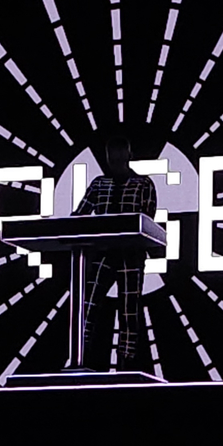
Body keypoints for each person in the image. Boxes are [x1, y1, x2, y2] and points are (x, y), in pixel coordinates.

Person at [72, 136, 157, 371]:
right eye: (111, 155)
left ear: (129, 155)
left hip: (131, 254)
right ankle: (80, 355)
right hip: (103, 253)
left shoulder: (143, 184)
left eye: (119, 154)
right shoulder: (99, 184)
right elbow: (79, 215)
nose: (115, 160)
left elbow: (147, 219)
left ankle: (126, 361)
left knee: (129, 309)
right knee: (87, 304)